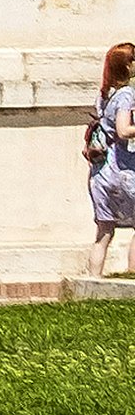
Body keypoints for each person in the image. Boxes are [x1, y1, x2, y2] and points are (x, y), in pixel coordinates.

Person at [91, 42, 135, 277]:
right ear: (127, 66)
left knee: (103, 233)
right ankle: (132, 278)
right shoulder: (126, 94)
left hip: (100, 173)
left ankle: (92, 282)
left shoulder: (104, 95)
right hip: (123, 170)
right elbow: (123, 130)